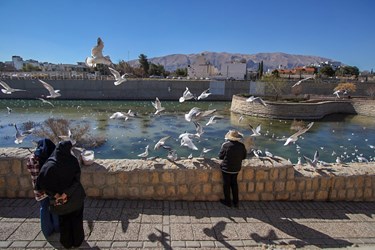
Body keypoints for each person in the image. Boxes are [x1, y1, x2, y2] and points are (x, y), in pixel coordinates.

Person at [36, 140, 85, 249]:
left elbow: (41, 184)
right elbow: (76, 181)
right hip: (75, 198)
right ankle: (77, 241)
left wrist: (56, 195)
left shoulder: (49, 164)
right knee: (76, 220)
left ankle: (66, 243)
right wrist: (66, 193)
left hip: (61, 202)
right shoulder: (72, 161)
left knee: (64, 221)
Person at [26, 138, 59, 237]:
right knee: (55, 208)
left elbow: (29, 169)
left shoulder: (31, 159)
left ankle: (47, 230)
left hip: (39, 190)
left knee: (44, 208)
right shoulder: (50, 158)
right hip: (51, 190)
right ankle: (57, 228)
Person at [218, 130, 247, 208]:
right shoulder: (242, 146)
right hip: (236, 168)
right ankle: (236, 202)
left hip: (226, 168)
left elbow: (220, 156)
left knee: (226, 185)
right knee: (234, 184)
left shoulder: (225, 145)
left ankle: (228, 202)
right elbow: (244, 157)